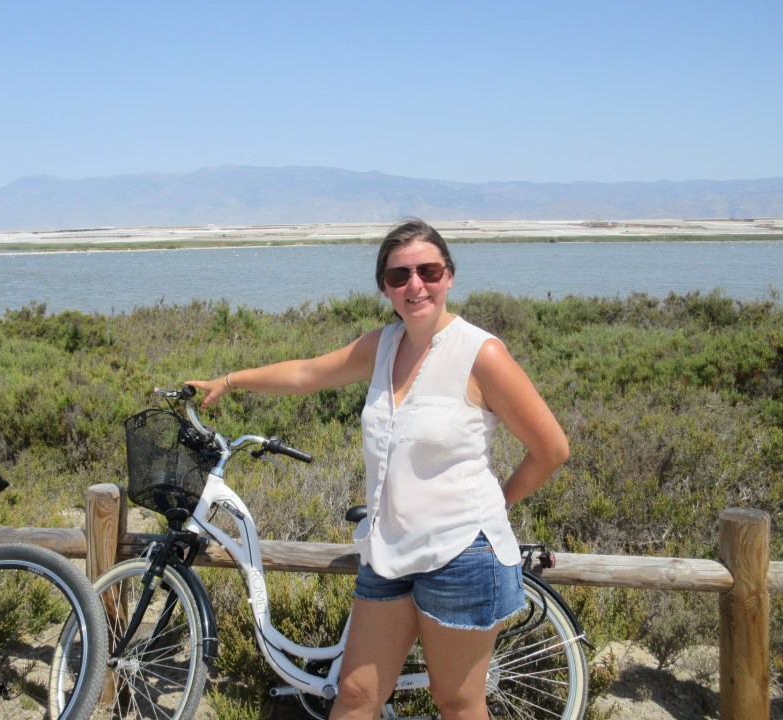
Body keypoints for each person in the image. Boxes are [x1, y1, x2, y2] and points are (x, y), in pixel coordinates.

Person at [186, 218, 569, 720]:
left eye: (428, 271)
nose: (415, 285)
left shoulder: (481, 354)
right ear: (385, 288)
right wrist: (229, 381)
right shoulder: (383, 345)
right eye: (399, 276)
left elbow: (551, 449)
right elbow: (307, 373)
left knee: (456, 701)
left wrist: (493, 508)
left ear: (449, 275)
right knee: (357, 695)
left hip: (461, 557)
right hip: (387, 552)